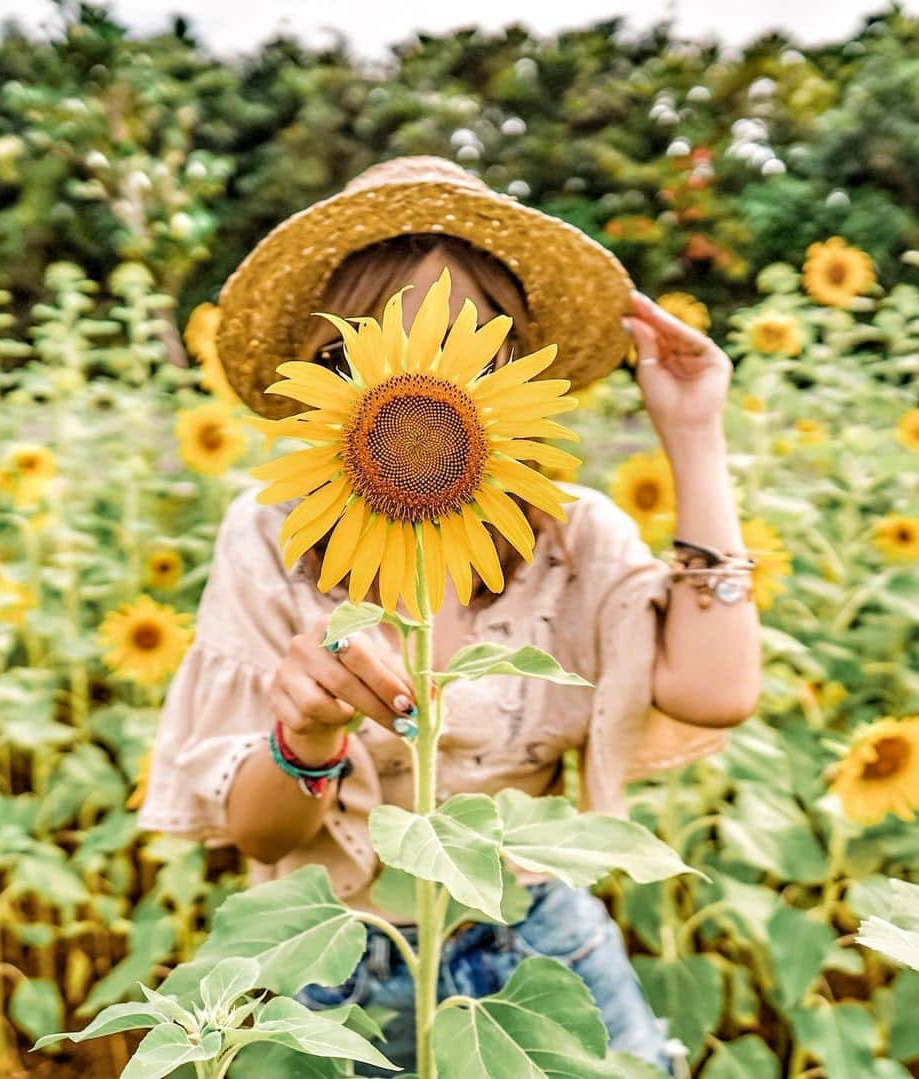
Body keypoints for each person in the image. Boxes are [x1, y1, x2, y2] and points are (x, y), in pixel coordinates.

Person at [138, 156, 761, 1077]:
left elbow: (717, 692)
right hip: (328, 971)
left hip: (533, 943)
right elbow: (261, 835)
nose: (428, 370)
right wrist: (305, 730)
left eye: (469, 339)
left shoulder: (568, 530)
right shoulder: (273, 531)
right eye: (381, 338)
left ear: (508, 364)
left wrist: (695, 432)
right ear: (331, 365)